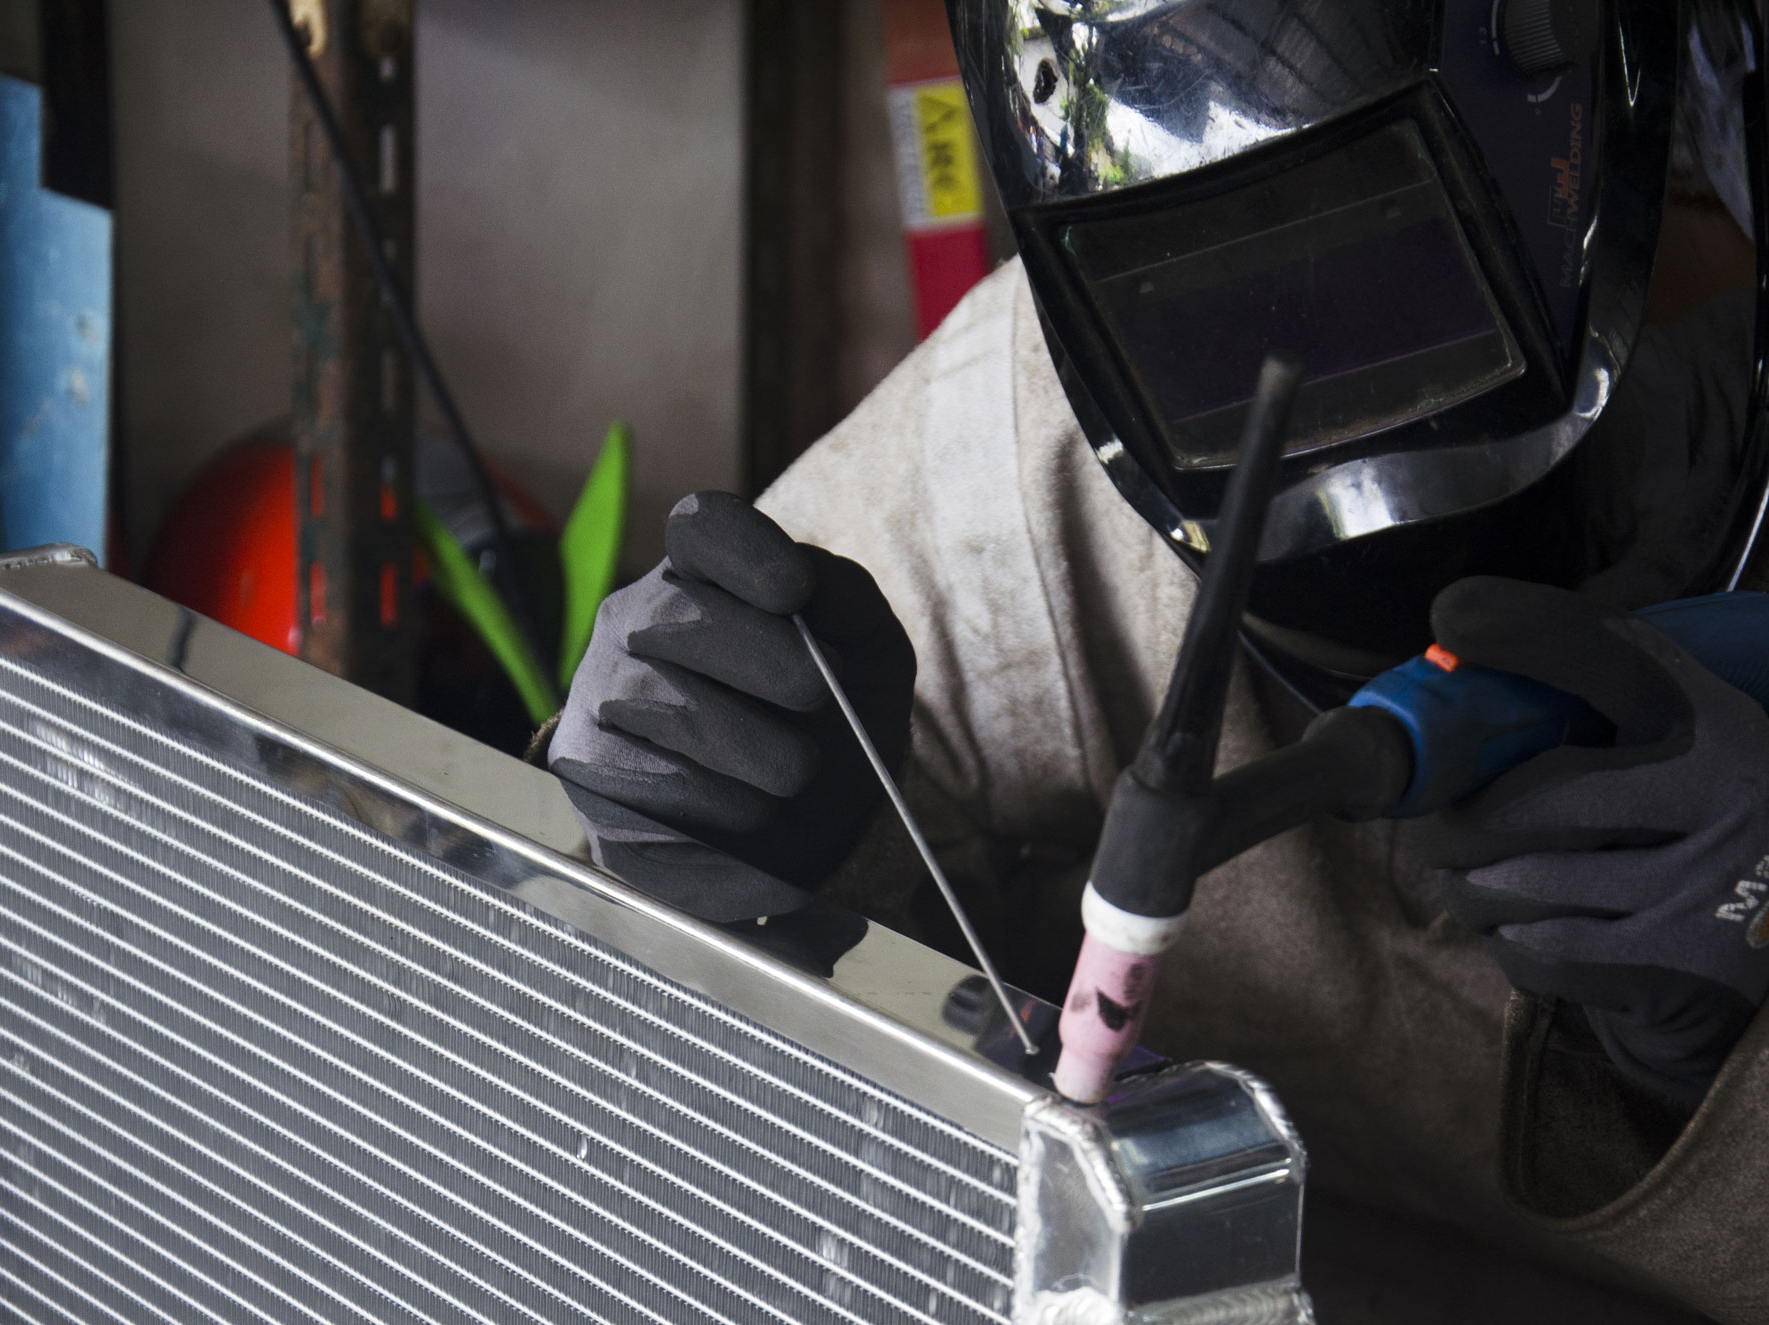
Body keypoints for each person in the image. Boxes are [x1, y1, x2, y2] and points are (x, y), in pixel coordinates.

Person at [544, 4, 1769, 1320]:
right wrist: (728, 824)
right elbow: (618, 1052)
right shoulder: (1026, 426)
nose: (1317, 363)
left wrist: (1734, 1063)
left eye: (1379, 255)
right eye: (1215, 293)